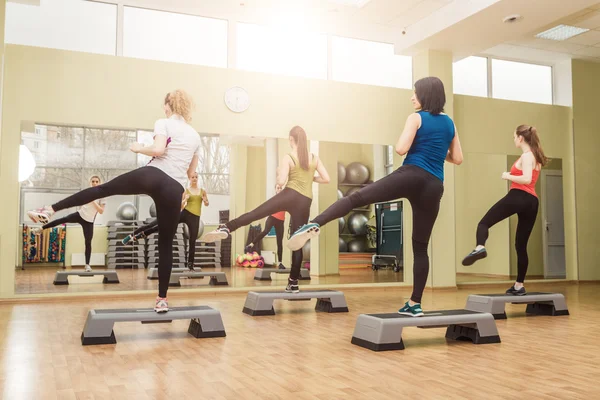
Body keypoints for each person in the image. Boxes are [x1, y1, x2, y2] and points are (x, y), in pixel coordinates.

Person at [287, 77, 463, 316]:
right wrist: (434, 150)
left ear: (425, 95)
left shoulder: (416, 117)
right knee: (420, 247)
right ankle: (415, 303)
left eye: (415, 93)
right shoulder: (449, 123)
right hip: (434, 185)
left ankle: (314, 223)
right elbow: (457, 158)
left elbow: (401, 149)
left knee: (356, 199)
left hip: (411, 174)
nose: (412, 97)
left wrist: (418, 145)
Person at [27, 89, 200, 313]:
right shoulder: (195, 135)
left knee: (102, 189)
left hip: (154, 174)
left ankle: (50, 209)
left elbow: (158, 150)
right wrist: (183, 192)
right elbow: (191, 172)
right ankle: (161, 300)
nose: (164, 109)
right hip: (174, 188)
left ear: (170, 105)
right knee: (166, 244)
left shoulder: (163, 122)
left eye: (164, 106)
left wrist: (139, 148)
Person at [202, 126, 330, 293]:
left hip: (289, 194)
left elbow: (282, 180)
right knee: (298, 240)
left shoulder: (289, 157)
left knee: (256, 213)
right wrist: (310, 176)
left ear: (291, 139)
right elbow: (326, 179)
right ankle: (293, 283)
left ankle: (227, 227)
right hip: (305, 200)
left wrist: (279, 178)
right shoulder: (314, 158)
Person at [462, 125, 547, 296]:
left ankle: (480, 247)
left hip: (519, 196)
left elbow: (526, 178)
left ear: (521, 138)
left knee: (484, 223)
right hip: (532, 202)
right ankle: (518, 286)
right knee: (521, 246)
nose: (514, 140)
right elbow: (530, 179)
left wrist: (508, 175)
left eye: (514, 137)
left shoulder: (527, 155)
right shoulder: (536, 157)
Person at [122, 173, 209, 271]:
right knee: (161, 225)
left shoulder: (202, 191)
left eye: (196, 177)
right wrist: (185, 200)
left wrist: (206, 201)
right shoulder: (186, 191)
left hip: (195, 217)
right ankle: (141, 235)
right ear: (190, 179)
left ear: (198, 179)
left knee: (192, 241)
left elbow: (206, 203)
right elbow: (180, 206)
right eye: (192, 177)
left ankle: (190, 265)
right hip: (185, 213)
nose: (194, 179)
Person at [35, 175, 105, 272]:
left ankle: (87, 265)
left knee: (88, 242)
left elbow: (101, 211)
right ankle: (42, 228)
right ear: (90, 182)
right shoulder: (87, 192)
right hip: (80, 215)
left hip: (89, 221)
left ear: (99, 182)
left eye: (97, 181)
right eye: (93, 181)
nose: (95, 183)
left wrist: (93, 200)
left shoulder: (102, 196)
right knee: (62, 219)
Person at [245, 186, 287, 269]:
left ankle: (280, 263)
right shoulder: (274, 199)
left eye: (280, 188)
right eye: (278, 188)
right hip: (272, 218)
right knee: (266, 231)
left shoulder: (286, 199)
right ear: (275, 190)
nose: (279, 189)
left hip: (281, 221)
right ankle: (251, 244)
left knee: (279, 242)